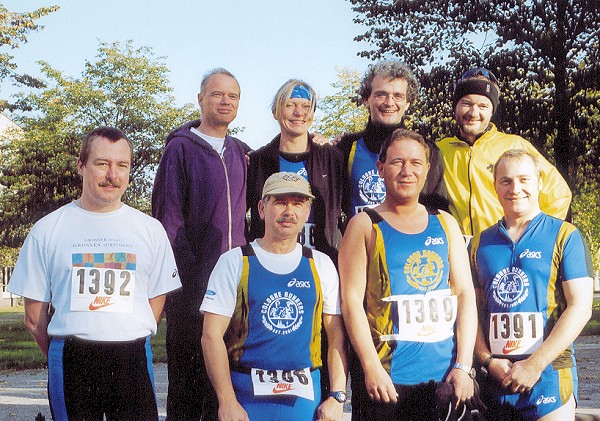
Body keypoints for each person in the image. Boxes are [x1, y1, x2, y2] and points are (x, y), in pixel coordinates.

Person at [7, 126, 181, 420]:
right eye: (102, 163)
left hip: (132, 358)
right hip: (73, 359)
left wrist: (125, 330)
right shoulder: (48, 230)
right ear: (81, 166)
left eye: (121, 165)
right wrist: (66, 349)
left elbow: (156, 299)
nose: (112, 174)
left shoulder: (150, 230)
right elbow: (33, 317)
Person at [339, 129, 479, 420]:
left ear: (427, 169)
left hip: (444, 380)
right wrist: (370, 366)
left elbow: (465, 294)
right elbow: (351, 303)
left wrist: (464, 366)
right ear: (380, 168)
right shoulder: (364, 225)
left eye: (416, 163)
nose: (407, 171)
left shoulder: (445, 223)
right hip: (389, 382)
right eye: (397, 162)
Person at [201, 172, 348, 421]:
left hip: (302, 397)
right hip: (245, 396)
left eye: (298, 202)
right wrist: (226, 401)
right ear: (261, 208)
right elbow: (211, 336)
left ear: (307, 211)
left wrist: (337, 397)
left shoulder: (320, 264)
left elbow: (335, 336)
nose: (289, 210)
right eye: (279, 201)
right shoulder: (235, 262)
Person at [152, 68, 251, 420]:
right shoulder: (180, 149)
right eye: (217, 94)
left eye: (233, 96)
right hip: (193, 289)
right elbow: (169, 222)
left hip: (234, 287)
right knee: (189, 387)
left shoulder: (242, 153)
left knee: (228, 384)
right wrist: (191, 280)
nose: (225, 101)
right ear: (200, 99)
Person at [470, 149, 593, 420]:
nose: (516, 188)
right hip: (496, 378)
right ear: (495, 186)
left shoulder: (565, 235)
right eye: (506, 181)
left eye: (524, 179)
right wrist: (487, 360)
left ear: (539, 182)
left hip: (548, 377)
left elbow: (581, 307)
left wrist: (535, 364)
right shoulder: (479, 243)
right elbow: (471, 311)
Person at [437, 68, 572, 237]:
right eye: (466, 103)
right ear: (455, 106)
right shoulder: (439, 150)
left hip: (503, 246)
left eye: (483, 106)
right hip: (457, 251)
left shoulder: (514, 145)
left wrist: (533, 236)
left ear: (492, 111)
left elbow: (558, 193)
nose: (473, 113)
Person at [337, 61, 448, 219]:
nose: (389, 102)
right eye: (381, 94)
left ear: (408, 103)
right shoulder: (346, 148)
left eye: (398, 96)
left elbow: (438, 212)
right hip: (360, 240)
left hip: (410, 242)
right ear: (366, 99)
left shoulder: (427, 150)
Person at [246, 79, 343, 261]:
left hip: (322, 266)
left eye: (306, 106)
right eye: (290, 105)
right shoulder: (257, 161)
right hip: (269, 265)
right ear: (275, 112)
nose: (299, 113)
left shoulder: (332, 158)